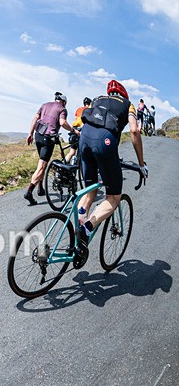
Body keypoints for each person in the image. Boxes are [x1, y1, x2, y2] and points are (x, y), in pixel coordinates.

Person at [74, 79, 148, 268]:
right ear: (124, 94)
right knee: (114, 198)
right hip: (104, 142)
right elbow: (134, 131)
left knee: (90, 192)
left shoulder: (98, 98)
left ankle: (78, 234)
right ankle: (87, 228)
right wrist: (141, 164)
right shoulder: (128, 104)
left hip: (84, 139)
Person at [24, 92, 79, 205]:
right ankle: (29, 191)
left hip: (38, 135)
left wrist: (30, 133)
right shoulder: (62, 109)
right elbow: (62, 122)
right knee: (42, 166)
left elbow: (35, 118)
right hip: (48, 137)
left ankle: (40, 188)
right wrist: (73, 131)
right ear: (64, 102)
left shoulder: (44, 105)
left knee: (42, 162)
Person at [66, 97, 92, 163]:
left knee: (72, 152)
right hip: (82, 130)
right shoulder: (90, 109)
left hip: (74, 130)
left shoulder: (79, 109)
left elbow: (77, 118)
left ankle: (63, 166)